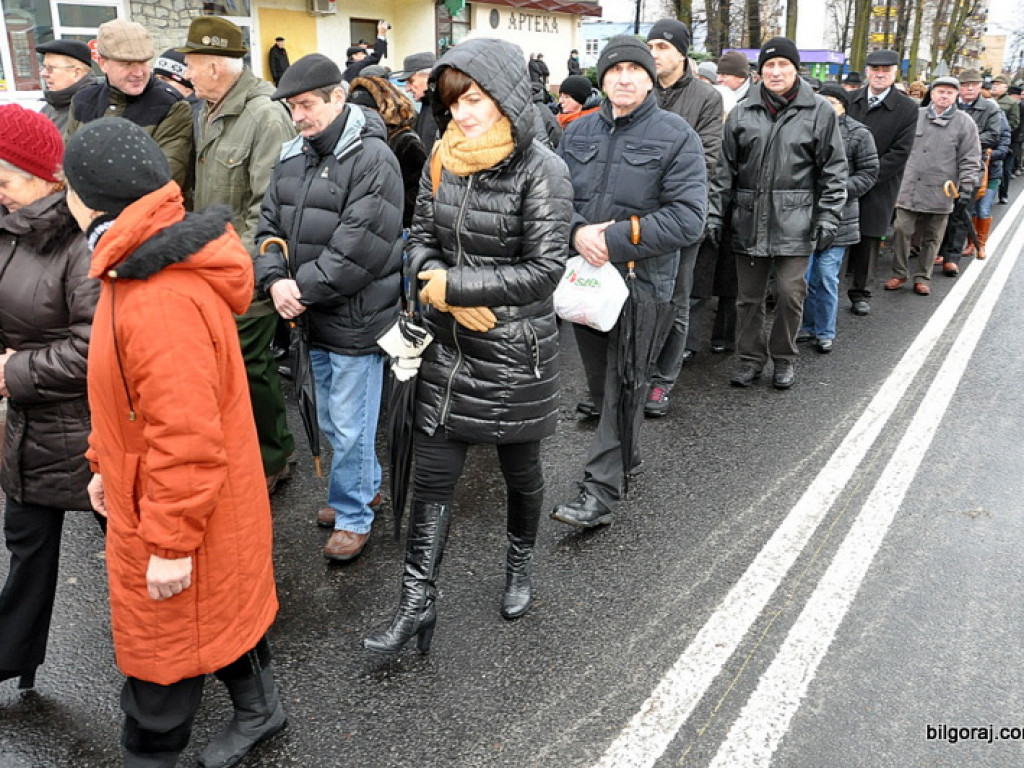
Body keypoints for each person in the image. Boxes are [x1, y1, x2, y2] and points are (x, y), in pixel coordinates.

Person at [63, 117, 284, 768]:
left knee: (160, 676)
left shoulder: (154, 292)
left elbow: (184, 435)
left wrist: (169, 545)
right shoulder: (141, 258)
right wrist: (104, 462)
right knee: (224, 613)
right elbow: (132, 402)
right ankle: (261, 708)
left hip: (184, 512)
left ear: (91, 198)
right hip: (196, 503)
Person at [362, 37, 572, 655]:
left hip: (515, 351)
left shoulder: (544, 169)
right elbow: (420, 234)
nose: (463, 113)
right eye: (454, 103)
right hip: (448, 348)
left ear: (505, 97)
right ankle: (416, 602)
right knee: (432, 477)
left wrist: (461, 283)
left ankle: (518, 563)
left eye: (475, 99)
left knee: (521, 471)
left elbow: (545, 268)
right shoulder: (440, 157)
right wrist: (442, 288)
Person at [550, 35, 706, 528]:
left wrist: (613, 239)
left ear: (649, 78)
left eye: (634, 70)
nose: (623, 78)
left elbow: (688, 219)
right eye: (614, 70)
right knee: (602, 386)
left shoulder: (676, 135)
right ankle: (626, 454)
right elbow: (553, 201)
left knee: (623, 382)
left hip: (642, 284)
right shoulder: (575, 133)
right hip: (586, 283)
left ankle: (599, 491)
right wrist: (577, 233)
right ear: (602, 77)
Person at [255, 54, 403, 563]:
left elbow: (361, 246)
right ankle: (361, 490)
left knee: (352, 420)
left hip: (358, 316)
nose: (299, 116)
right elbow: (268, 225)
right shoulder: (293, 154)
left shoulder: (373, 158)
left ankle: (355, 514)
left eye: (307, 105)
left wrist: (299, 289)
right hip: (308, 314)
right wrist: (274, 280)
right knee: (333, 420)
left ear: (338, 97)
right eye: (293, 107)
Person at [0, 104, 98, 691]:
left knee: (137, 563)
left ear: (44, 177)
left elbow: (96, 350)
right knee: (26, 553)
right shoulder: (7, 226)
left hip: (92, 431)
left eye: (5, 179)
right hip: (29, 428)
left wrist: (15, 371)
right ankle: (12, 658)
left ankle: (199, 675)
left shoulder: (80, 242)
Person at [178, 16, 298, 495]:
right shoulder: (205, 107)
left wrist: (241, 270)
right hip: (212, 264)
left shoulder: (265, 114)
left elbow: (270, 205)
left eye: (190, 64)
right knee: (225, 365)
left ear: (213, 65)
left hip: (247, 270)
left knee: (250, 362)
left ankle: (275, 456)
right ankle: (246, 447)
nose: (186, 73)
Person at [707, 36, 847, 391]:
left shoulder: (819, 111)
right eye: (769, 65)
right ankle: (750, 359)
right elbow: (724, 171)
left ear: (795, 69)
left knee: (789, 293)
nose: (776, 71)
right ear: (760, 71)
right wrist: (714, 215)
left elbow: (834, 170)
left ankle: (783, 358)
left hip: (796, 222)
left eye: (783, 64)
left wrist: (828, 216)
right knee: (749, 299)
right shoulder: (741, 112)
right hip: (749, 219)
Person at [643, 18, 722, 417]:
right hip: (636, 216)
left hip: (680, 216)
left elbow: (706, 159)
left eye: (663, 46)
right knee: (633, 298)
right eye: (651, 45)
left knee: (675, 300)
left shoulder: (706, 99)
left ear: (681, 52)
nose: (654, 53)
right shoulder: (639, 89)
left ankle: (661, 381)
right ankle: (626, 377)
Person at [65, 19, 193, 194]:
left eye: (143, 62)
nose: (138, 73)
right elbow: (69, 164)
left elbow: (163, 180)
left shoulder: (171, 106)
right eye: (126, 64)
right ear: (102, 63)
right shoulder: (83, 100)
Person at [797, 84, 878, 353]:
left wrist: (840, 191)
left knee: (826, 275)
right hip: (806, 214)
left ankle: (825, 331)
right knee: (804, 276)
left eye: (833, 101)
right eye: (823, 100)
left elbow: (868, 172)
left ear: (844, 105)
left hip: (840, 217)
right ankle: (807, 327)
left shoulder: (858, 133)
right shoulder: (806, 126)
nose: (827, 105)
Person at [882, 77, 981, 296]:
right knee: (901, 230)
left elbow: (971, 157)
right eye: (940, 92)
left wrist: (966, 186)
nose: (944, 96)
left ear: (956, 96)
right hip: (909, 187)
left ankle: (922, 277)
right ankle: (899, 272)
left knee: (933, 237)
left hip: (941, 189)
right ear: (932, 94)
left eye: (949, 92)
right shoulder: (915, 116)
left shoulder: (964, 122)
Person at [845, 49, 919, 316]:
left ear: (895, 73)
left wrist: (865, 178)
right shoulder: (851, 100)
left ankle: (861, 292)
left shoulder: (908, 107)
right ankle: (827, 289)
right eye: (875, 69)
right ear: (867, 71)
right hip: (843, 180)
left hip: (879, 184)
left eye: (886, 70)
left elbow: (900, 153)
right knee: (836, 236)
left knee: (868, 238)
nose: (879, 74)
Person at [933, 68, 1005, 269]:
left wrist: (964, 141)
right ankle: (939, 251)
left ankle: (952, 258)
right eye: (965, 85)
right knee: (941, 211)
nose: (970, 89)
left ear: (980, 86)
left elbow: (994, 136)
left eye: (974, 84)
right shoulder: (949, 105)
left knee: (963, 209)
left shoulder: (990, 109)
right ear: (959, 88)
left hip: (972, 164)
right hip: (944, 163)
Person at [348, 74, 427, 227]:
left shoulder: (405, 142)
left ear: (383, 109)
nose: (361, 115)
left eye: (368, 109)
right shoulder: (353, 141)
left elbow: (417, 196)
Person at [35, 39, 97, 132]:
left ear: (76, 73)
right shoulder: (48, 109)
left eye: (50, 68)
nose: (43, 74)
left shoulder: (95, 110)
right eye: (43, 67)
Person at [397, 52, 439, 154]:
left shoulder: (444, 109)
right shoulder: (427, 105)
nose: (407, 89)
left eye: (410, 81)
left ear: (428, 77)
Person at [991, 76, 1019, 203]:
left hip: (1005, 141)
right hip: (990, 141)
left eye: (999, 84)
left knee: (1006, 170)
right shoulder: (987, 99)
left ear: (1005, 87)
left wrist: (1004, 135)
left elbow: (1015, 122)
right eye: (994, 84)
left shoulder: (1011, 102)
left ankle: (1003, 194)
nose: (995, 86)